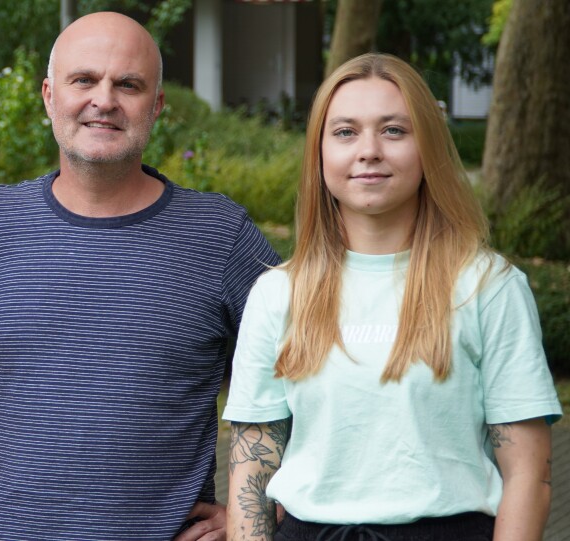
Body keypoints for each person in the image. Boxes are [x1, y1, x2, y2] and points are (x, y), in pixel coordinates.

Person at [0, 12, 281, 541]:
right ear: (48, 96)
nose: (103, 100)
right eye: (83, 80)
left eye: (127, 84)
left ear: (156, 106)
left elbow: (312, 369)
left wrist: (259, 511)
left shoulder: (220, 235)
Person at [224, 53, 562, 540]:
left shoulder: (488, 287)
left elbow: (530, 476)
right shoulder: (278, 293)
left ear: (428, 149)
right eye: (345, 132)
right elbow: (251, 475)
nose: (369, 151)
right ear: (319, 155)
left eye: (394, 131)